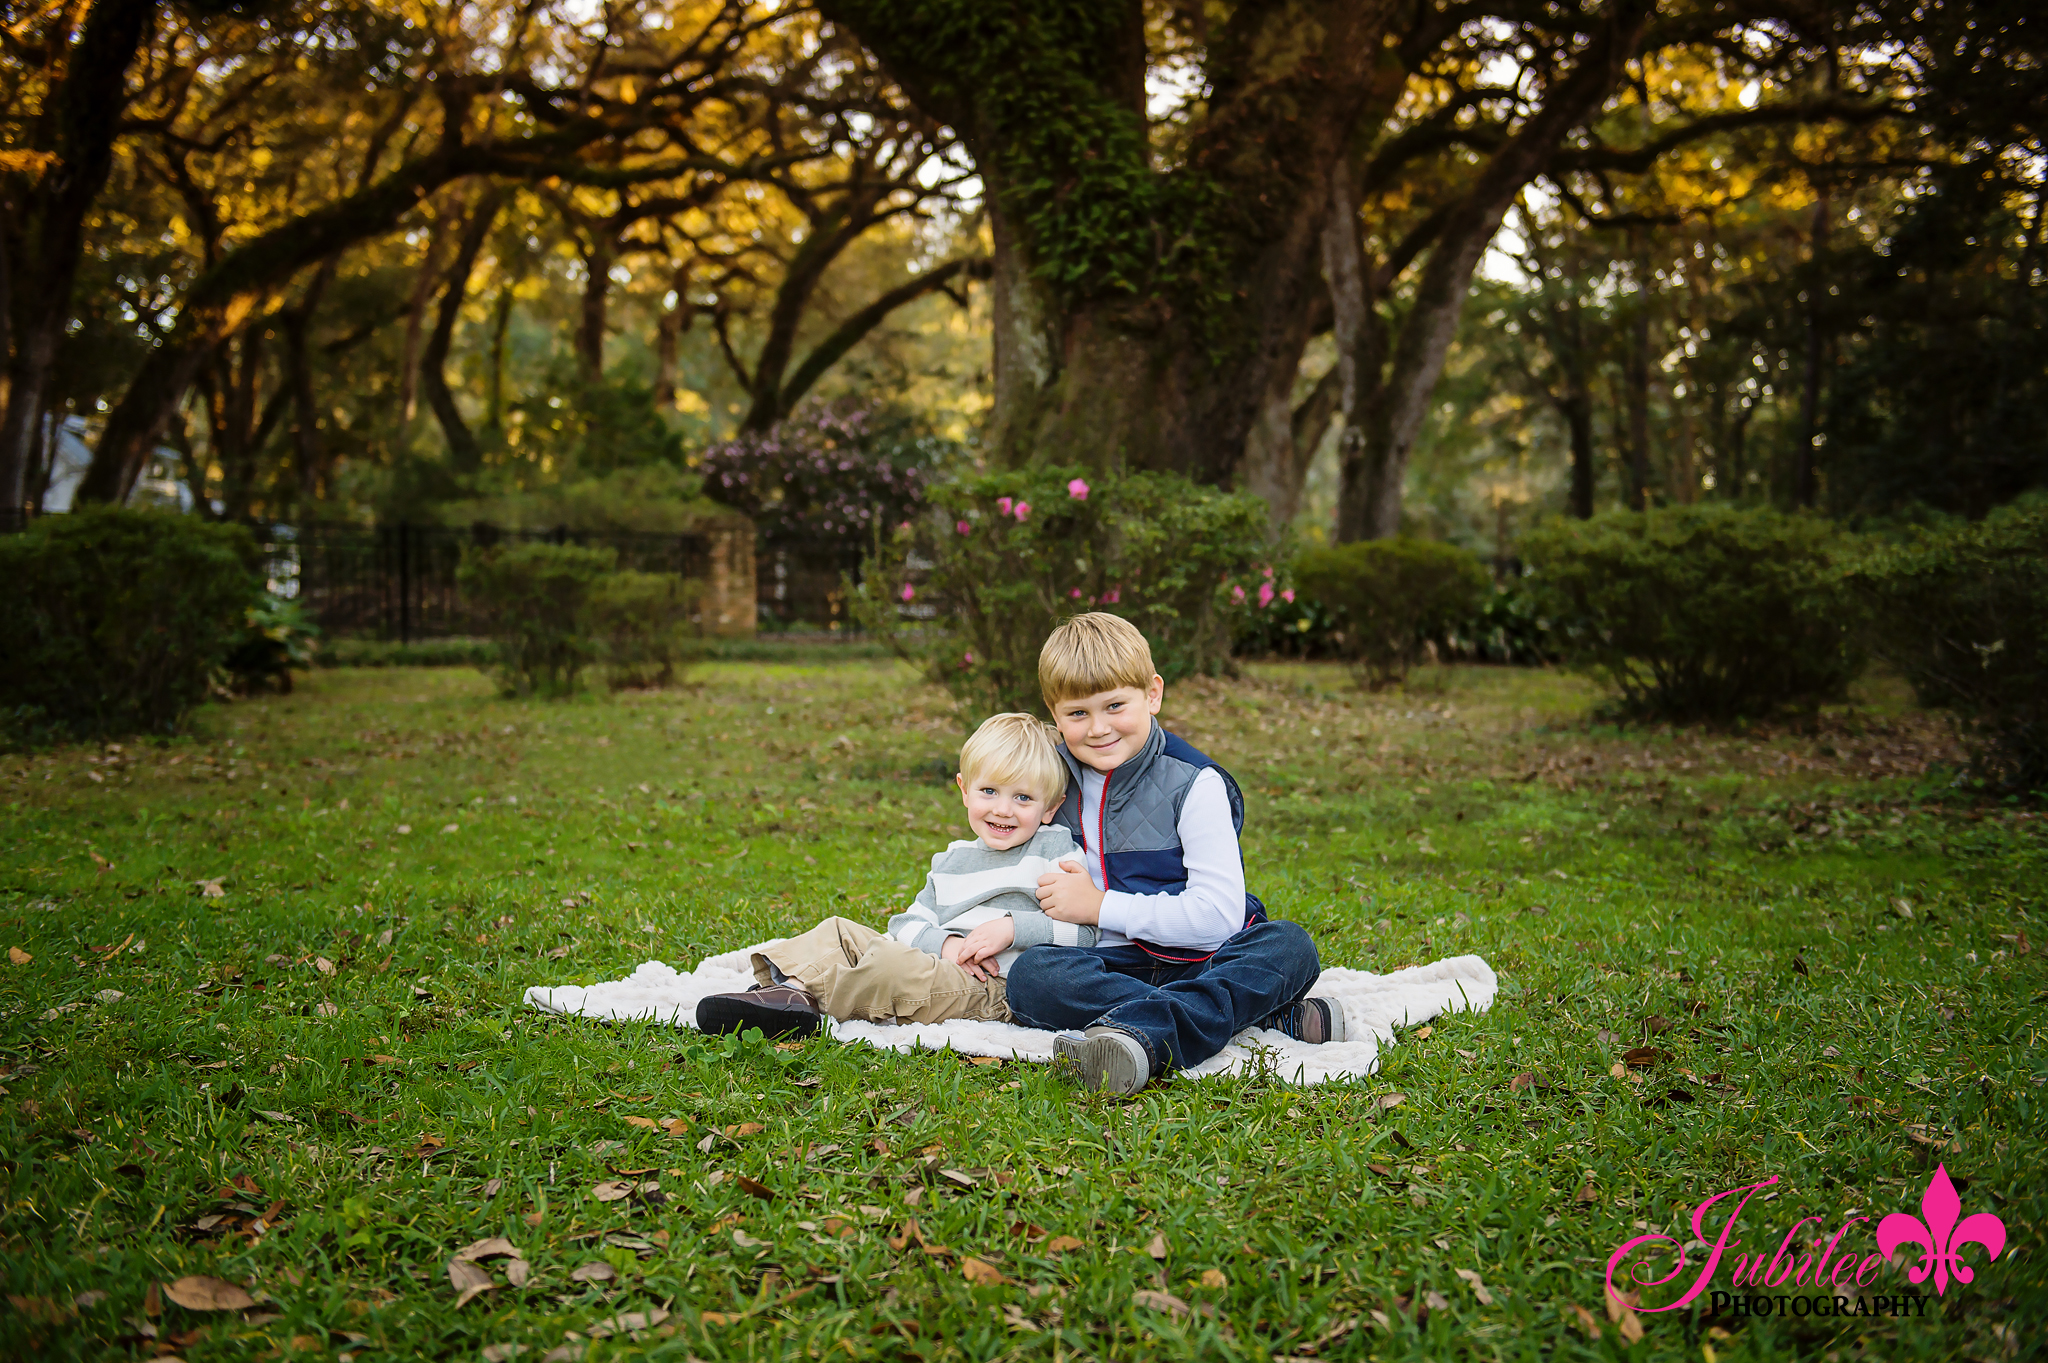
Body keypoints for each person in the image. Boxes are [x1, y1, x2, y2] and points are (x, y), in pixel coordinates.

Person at [1011, 612, 1343, 1096]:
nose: (1099, 728)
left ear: (1153, 694)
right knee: (1033, 978)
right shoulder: (1047, 778)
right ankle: (1255, 1017)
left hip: (1204, 958)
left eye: (1115, 706)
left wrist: (1101, 906)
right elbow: (997, 843)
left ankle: (1140, 1041)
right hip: (1105, 964)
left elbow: (1217, 918)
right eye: (1078, 714)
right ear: (1053, 712)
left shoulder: (1194, 782)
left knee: (1289, 947)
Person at [695, 713, 1092, 1037]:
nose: (1003, 809)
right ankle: (785, 992)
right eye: (989, 791)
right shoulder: (953, 859)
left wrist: (1012, 929)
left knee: (887, 965)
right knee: (840, 930)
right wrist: (947, 944)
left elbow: (1086, 933)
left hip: (995, 987)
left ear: (1050, 807)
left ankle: (799, 1000)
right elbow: (907, 923)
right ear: (965, 790)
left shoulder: (1052, 850)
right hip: (942, 962)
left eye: (1023, 797)